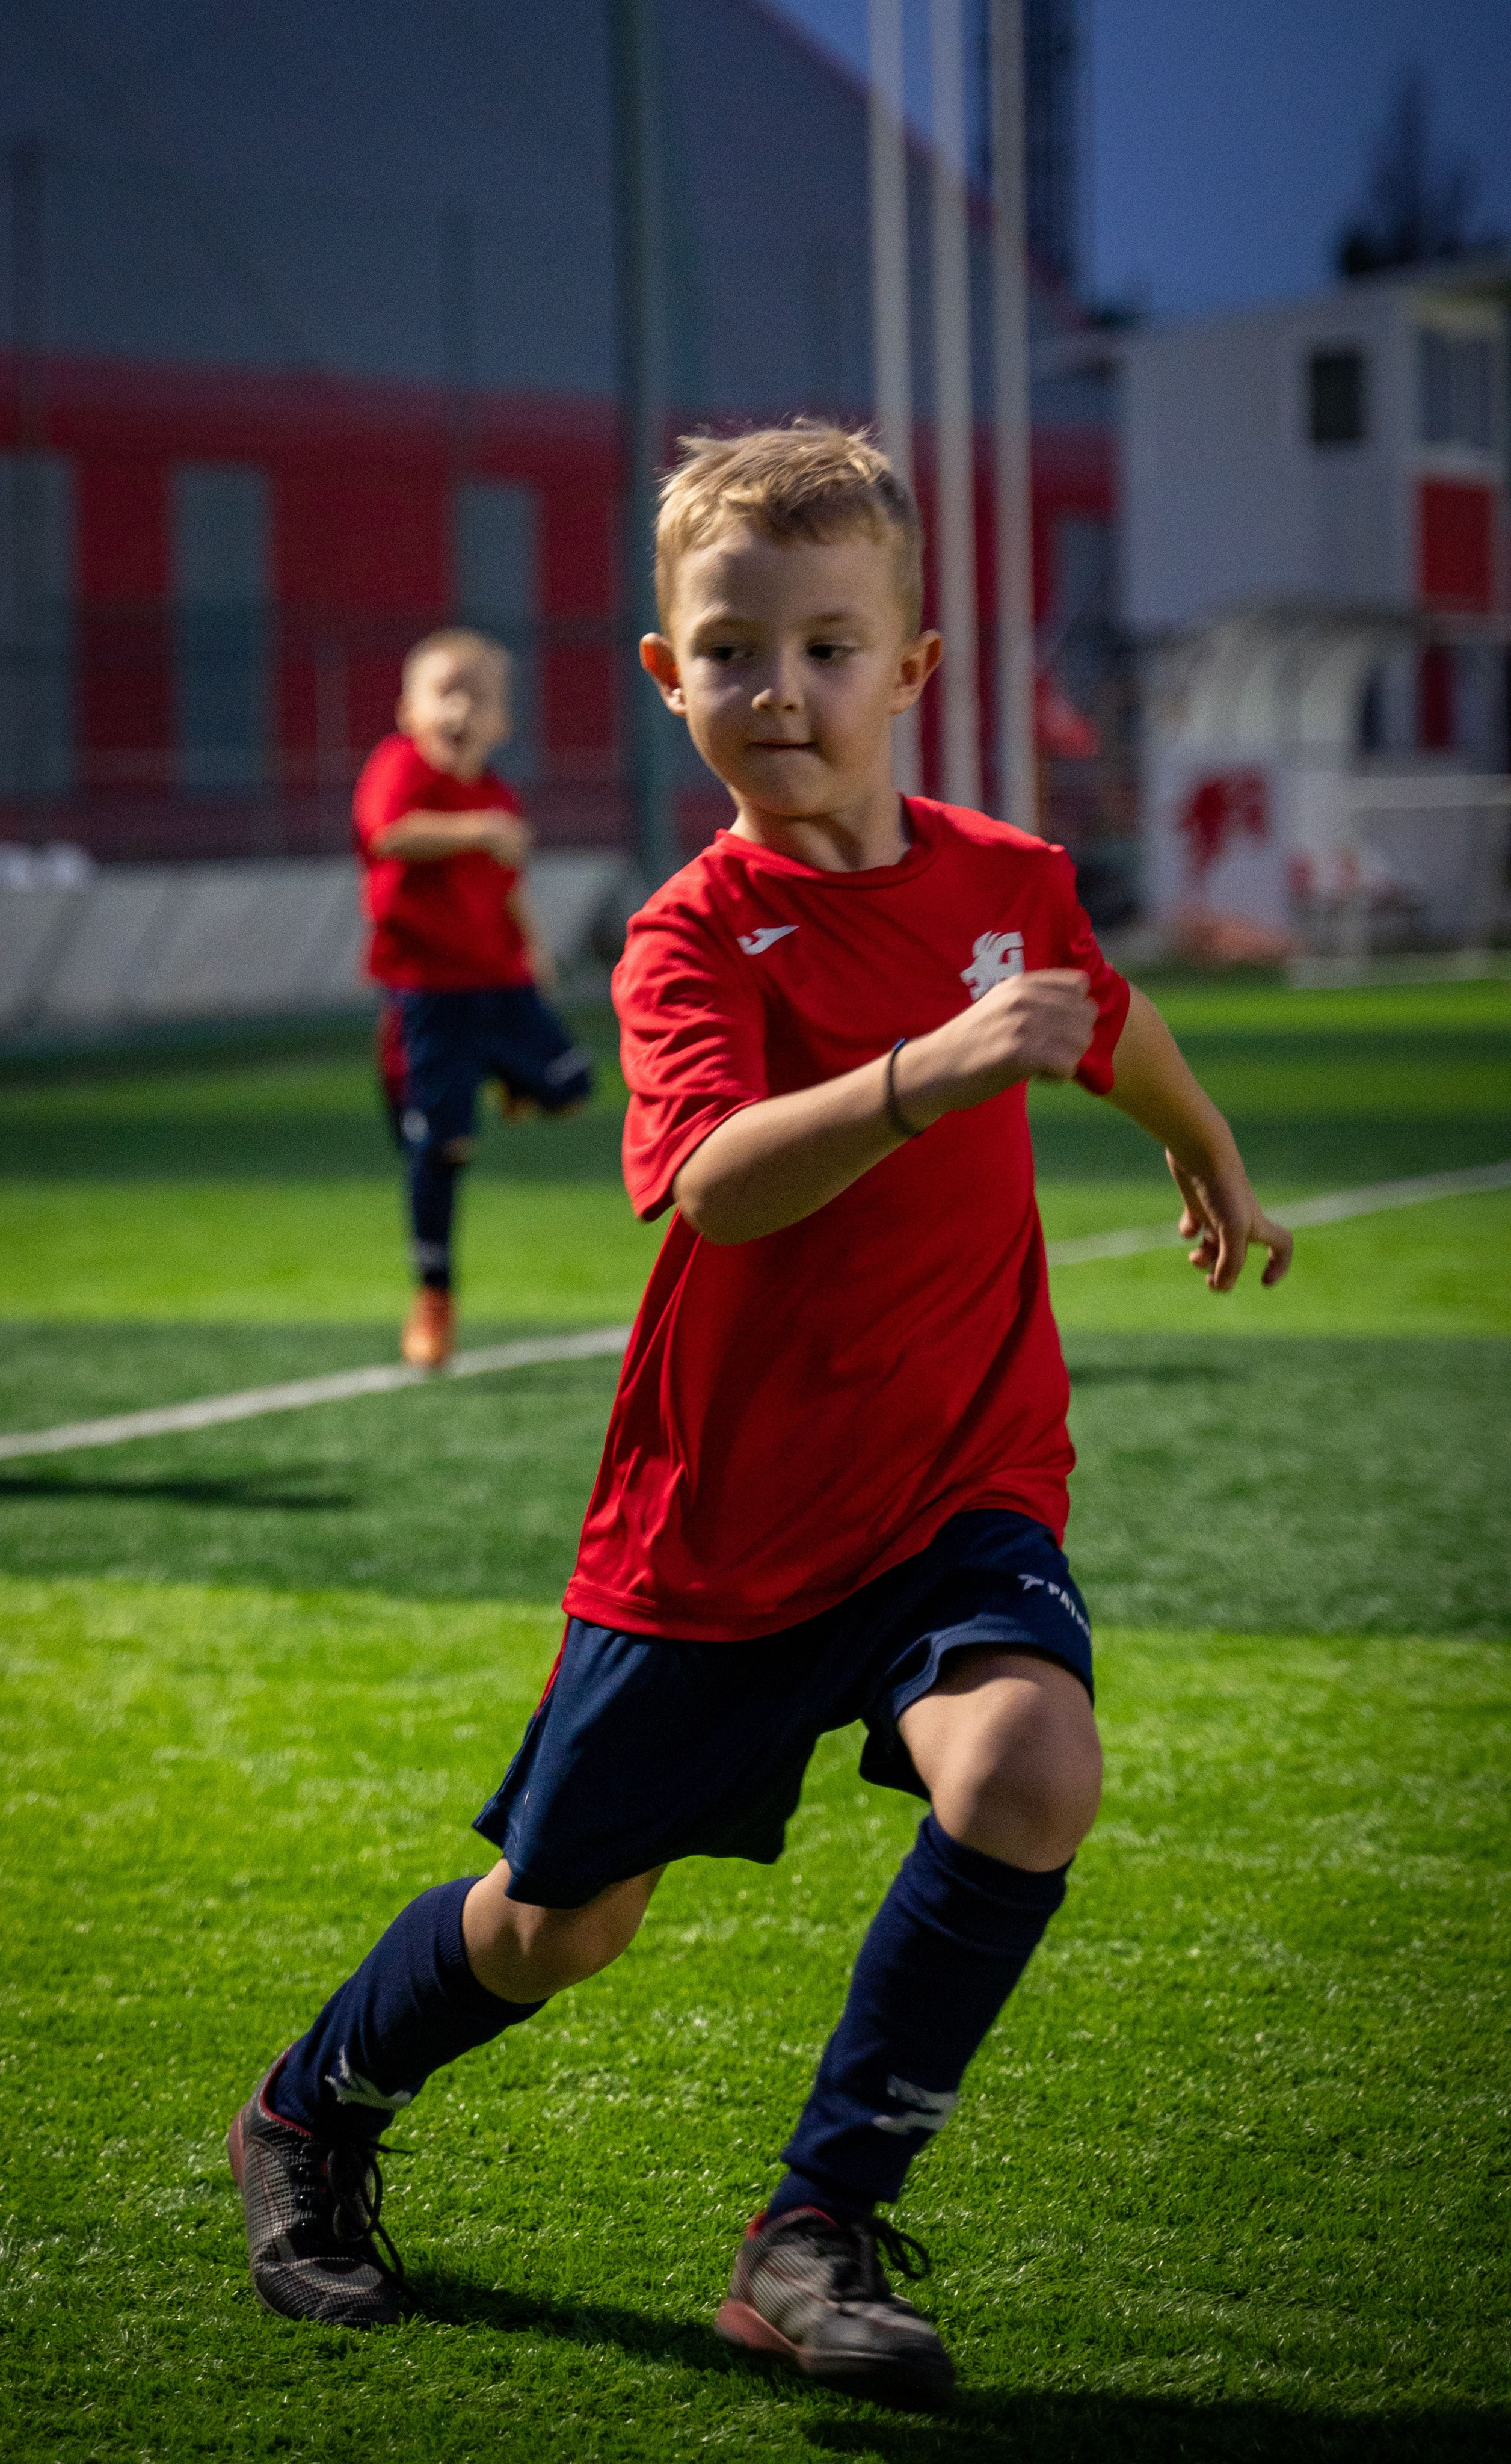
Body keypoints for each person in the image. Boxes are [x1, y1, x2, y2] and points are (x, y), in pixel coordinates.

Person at [230, 426, 1291, 2407]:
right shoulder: (685, 933)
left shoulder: (1005, 883)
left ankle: (812, 2225)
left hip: (957, 1485)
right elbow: (712, 1178)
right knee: (557, 1927)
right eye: (732, 651)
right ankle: (307, 2112)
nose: (777, 689)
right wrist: (924, 1071)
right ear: (667, 673)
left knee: (1029, 1769)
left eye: (826, 646)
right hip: (718, 1526)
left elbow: (1100, 1007)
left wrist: (1207, 1149)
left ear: (913, 669)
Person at [352, 627, 594, 1369]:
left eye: (478, 697)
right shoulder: (401, 771)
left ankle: (499, 1075)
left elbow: (506, 886)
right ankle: (434, 1295)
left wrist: (535, 948)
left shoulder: (497, 796)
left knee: (571, 1083)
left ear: (503, 724)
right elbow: (390, 835)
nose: (460, 709)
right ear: (408, 711)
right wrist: (478, 830)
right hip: (430, 996)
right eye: (444, 692)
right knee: (441, 1149)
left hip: (502, 984)